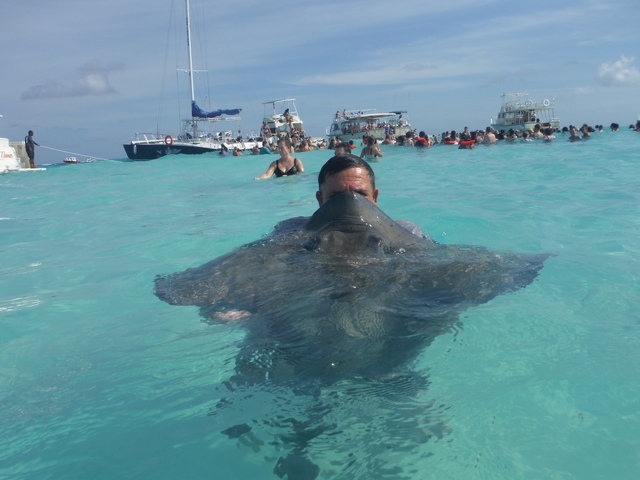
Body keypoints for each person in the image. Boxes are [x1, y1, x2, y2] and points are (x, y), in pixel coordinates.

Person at [272, 154, 428, 239]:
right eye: (336, 197)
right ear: (320, 200)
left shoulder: (408, 231)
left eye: (360, 195)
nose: (350, 204)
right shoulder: (289, 229)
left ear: (375, 197)